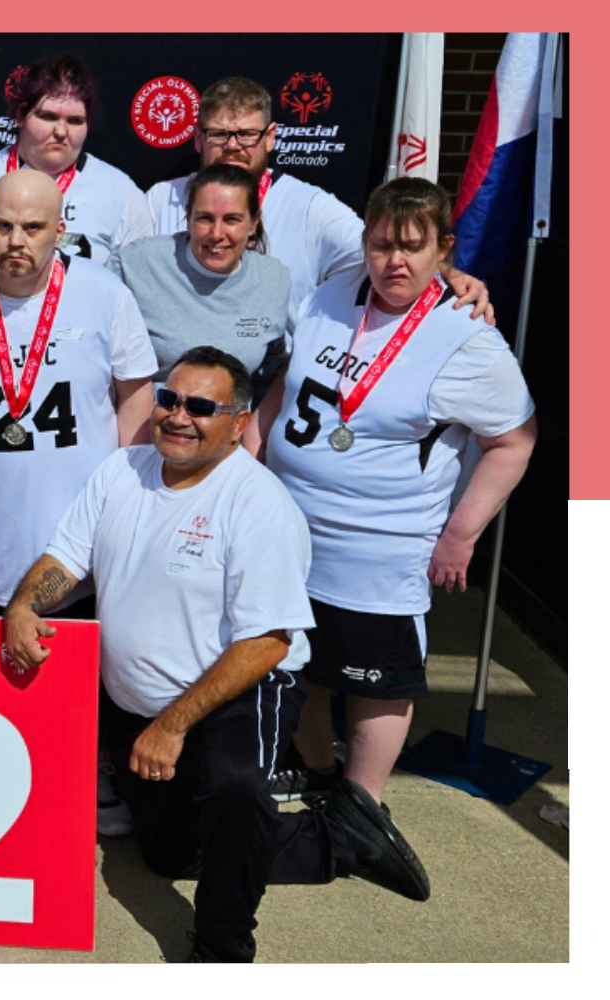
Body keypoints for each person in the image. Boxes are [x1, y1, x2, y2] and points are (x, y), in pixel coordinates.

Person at [5, 348, 432, 963]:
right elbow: (64, 558)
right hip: (139, 706)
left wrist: (172, 726)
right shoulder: (121, 470)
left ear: (238, 423)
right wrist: (25, 606)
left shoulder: (260, 504)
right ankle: (341, 837)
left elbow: (268, 642)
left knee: (236, 791)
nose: (179, 416)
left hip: (240, 692)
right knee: (169, 856)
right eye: (170, 399)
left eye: (202, 407)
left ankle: (222, 951)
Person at [252, 178, 537, 811]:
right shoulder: (332, 292)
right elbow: (285, 386)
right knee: (302, 661)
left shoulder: (467, 338)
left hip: (379, 552)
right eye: (381, 244)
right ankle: (319, 771)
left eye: (412, 246)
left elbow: (514, 442)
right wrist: (251, 463)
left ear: (445, 249)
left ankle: (363, 805)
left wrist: (460, 536)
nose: (394, 261)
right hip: (291, 533)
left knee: (375, 679)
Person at [0, 168, 155, 836]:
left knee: (88, 660)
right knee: (1, 660)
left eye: (33, 227)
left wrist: (133, 486)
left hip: (85, 526)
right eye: (2, 226)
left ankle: (93, 771)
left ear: (62, 230)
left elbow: (137, 389)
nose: (16, 241)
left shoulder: (104, 294)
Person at [145, 77, 492, 323]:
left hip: (270, 386)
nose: (233, 145)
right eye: (219, 133)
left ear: (270, 138)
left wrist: (447, 273)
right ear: (197, 139)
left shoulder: (311, 207)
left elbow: (382, 252)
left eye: (247, 134)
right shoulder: (162, 199)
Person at [0, 53, 153, 321]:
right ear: (21, 117)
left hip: (81, 350)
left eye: (75, 120)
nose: (61, 132)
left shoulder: (121, 192)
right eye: (48, 116)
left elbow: (142, 296)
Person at [114, 163, 290, 403]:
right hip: (154, 425)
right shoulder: (135, 264)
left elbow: (271, 370)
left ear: (253, 223)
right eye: (205, 218)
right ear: (187, 217)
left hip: (230, 431)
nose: (217, 233)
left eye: (232, 220)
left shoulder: (274, 278)